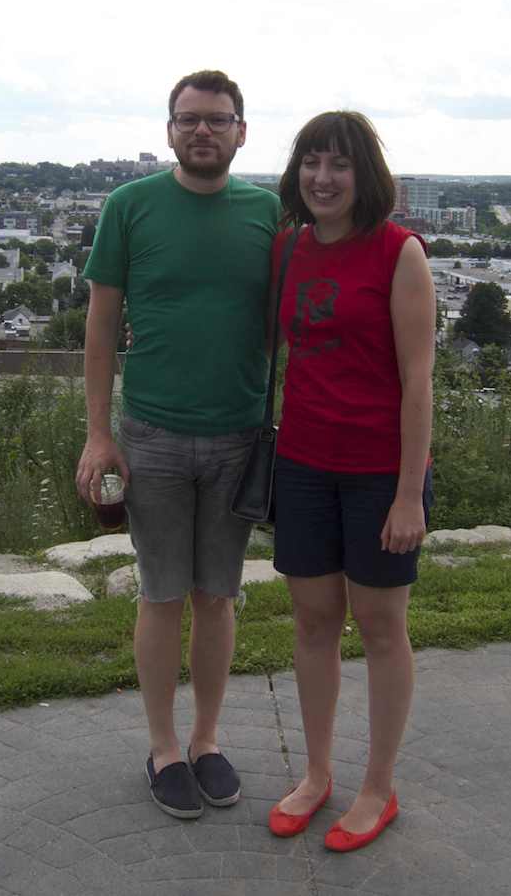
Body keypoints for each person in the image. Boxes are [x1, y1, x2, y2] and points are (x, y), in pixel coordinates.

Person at [74, 70, 280, 820]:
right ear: (169, 130)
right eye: (189, 119)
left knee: (217, 597)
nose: (203, 131)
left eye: (217, 120)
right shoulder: (130, 208)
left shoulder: (270, 213)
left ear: (241, 132)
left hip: (238, 436)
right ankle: (163, 747)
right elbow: (101, 327)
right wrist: (100, 431)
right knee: (161, 595)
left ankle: (207, 739)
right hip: (152, 435)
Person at [263, 111, 435, 852]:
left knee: (380, 626)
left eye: (338, 164)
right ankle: (318, 772)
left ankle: (378, 786)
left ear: (365, 174)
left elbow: (419, 379)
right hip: (302, 463)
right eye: (310, 161)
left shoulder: (399, 252)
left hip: (377, 472)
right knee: (313, 622)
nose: (322, 178)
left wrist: (407, 492)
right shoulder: (288, 249)